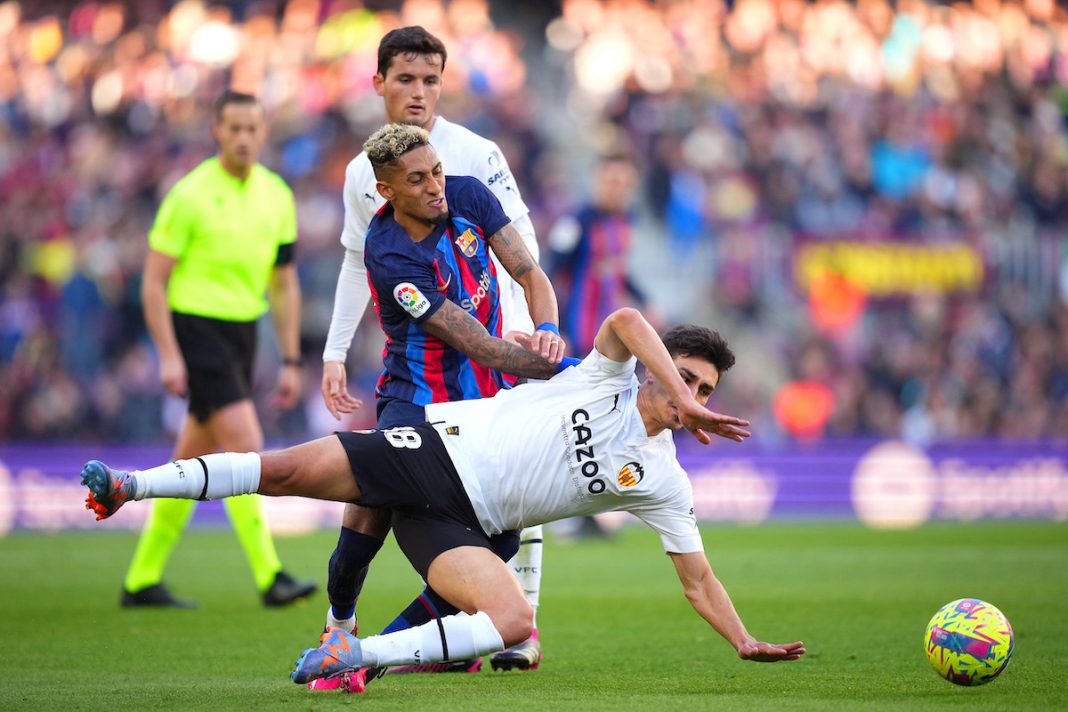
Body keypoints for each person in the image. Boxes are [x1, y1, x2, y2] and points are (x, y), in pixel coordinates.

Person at [81, 307, 806, 695]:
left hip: (469, 526)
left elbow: (698, 578)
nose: (694, 399)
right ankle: (130, 486)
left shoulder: (662, 480)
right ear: (658, 372)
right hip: (433, 455)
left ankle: (348, 653)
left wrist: (742, 639)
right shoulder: (603, 377)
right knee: (286, 473)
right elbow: (622, 319)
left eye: (706, 391)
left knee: (516, 620)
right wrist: (672, 385)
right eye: (684, 379)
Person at [319, 26, 551, 672]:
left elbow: (520, 242)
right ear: (379, 85)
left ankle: (517, 626)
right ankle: (347, 622)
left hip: (491, 354)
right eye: (406, 79)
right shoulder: (361, 174)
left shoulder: (475, 156)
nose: (419, 92)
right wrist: (335, 352)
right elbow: (352, 262)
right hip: (416, 366)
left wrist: (520, 332)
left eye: (430, 80)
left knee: (512, 498)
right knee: (374, 499)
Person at [122, 89, 316, 608]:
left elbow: (284, 283)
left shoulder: (277, 194)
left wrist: (293, 359)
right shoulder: (189, 194)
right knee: (246, 447)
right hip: (196, 327)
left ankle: (142, 578)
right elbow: (153, 282)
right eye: (234, 128)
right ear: (217, 131)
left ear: (264, 133)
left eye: (253, 128)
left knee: (193, 455)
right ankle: (270, 575)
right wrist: (168, 353)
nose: (244, 137)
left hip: (243, 332)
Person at [548, 150, 655, 539]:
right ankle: (567, 515)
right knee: (576, 421)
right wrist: (551, 325)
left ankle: (592, 510)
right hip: (580, 338)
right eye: (610, 180)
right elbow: (550, 270)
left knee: (605, 423)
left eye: (624, 181)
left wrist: (646, 300)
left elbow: (619, 272)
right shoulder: (577, 222)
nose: (617, 187)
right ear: (596, 180)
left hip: (618, 345)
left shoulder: (628, 222)